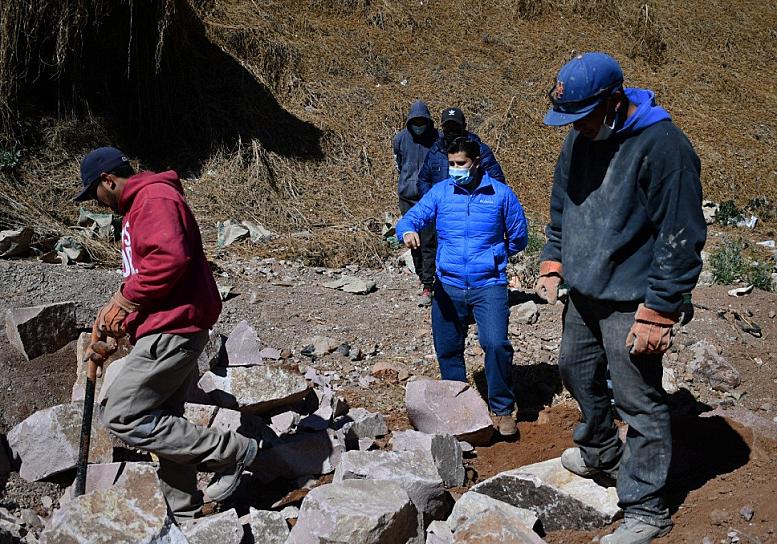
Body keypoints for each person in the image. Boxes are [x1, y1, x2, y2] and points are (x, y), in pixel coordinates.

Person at [537, 52, 706, 543]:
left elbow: (682, 235)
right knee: (574, 370)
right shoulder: (581, 136)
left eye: (583, 117)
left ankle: (646, 508)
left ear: (613, 101)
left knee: (639, 401)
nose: (576, 127)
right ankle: (601, 451)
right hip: (585, 293)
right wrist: (553, 258)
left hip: (632, 299)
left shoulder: (665, 148)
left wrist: (660, 310)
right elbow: (562, 203)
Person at [74, 147, 261, 520]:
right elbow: (151, 279)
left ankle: (233, 451)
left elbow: (169, 259)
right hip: (166, 326)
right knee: (164, 419)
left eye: (93, 192)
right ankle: (184, 514)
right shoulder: (139, 208)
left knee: (122, 413)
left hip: (174, 328)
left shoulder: (154, 198)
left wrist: (124, 300)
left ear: (107, 180)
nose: (96, 202)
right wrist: (120, 325)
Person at [396, 138, 528, 437]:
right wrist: (406, 232)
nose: (455, 170)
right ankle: (460, 412)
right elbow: (412, 218)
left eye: (461, 164)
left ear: (477, 162)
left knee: (495, 344)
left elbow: (519, 236)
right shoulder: (441, 192)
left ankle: (503, 409)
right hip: (448, 284)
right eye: (452, 164)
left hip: (489, 284)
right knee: (448, 349)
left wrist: (496, 255)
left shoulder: (501, 195)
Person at [393, 100, 438, 306]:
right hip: (407, 197)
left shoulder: (438, 139)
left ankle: (428, 285)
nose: (419, 125)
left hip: (428, 198)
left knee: (429, 241)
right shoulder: (400, 139)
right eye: (415, 121)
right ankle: (422, 276)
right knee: (413, 241)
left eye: (422, 121)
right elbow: (400, 163)